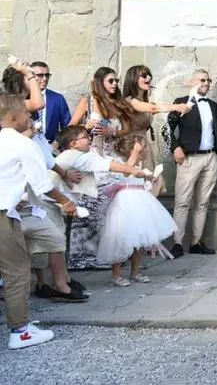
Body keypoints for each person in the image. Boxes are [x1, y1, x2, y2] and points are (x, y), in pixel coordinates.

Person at [0, 94, 77, 350]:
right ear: (12, 118)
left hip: (8, 209)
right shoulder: (23, 144)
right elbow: (42, 185)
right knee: (17, 273)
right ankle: (20, 332)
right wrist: (66, 202)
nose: (29, 115)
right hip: (3, 216)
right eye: (25, 111)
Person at [165, 69, 217, 258]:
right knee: (182, 202)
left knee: (202, 202)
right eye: (202, 79)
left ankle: (196, 242)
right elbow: (166, 129)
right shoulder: (181, 102)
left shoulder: (212, 105)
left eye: (208, 80)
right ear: (192, 82)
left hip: (210, 158)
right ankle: (178, 243)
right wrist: (175, 148)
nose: (206, 83)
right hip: (189, 158)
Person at [67, 67, 133, 270]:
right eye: (110, 81)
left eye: (116, 81)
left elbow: (127, 129)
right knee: (89, 205)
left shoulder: (118, 103)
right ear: (100, 82)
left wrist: (112, 130)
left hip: (112, 156)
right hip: (91, 158)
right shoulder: (87, 100)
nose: (114, 84)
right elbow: (71, 128)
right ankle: (82, 257)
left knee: (112, 207)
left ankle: (110, 254)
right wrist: (86, 129)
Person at [97, 135, 177, 286]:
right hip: (126, 205)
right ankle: (116, 274)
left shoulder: (139, 167)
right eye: (141, 148)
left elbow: (141, 182)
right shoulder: (123, 164)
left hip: (140, 204)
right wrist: (135, 152)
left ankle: (136, 271)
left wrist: (150, 179)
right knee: (122, 239)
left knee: (138, 240)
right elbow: (127, 173)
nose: (144, 151)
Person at [121, 65, 190, 197]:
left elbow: (155, 108)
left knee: (151, 185)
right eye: (143, 75)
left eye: (149, 75)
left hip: (144, 144)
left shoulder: (146, 101)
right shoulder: (130, 101)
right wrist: (175, 106)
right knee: (136, 185)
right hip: (132, 146)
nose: (148, 77)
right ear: (133, 79)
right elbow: (153, 109)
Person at [29, 61, 71, 145]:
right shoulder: (24, 98)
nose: (44, 78)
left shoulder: (58, 98)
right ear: (31, 77)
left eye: (47, 75)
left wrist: (57, 143)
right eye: (40, 75)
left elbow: (67, 126)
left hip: (51, 147)